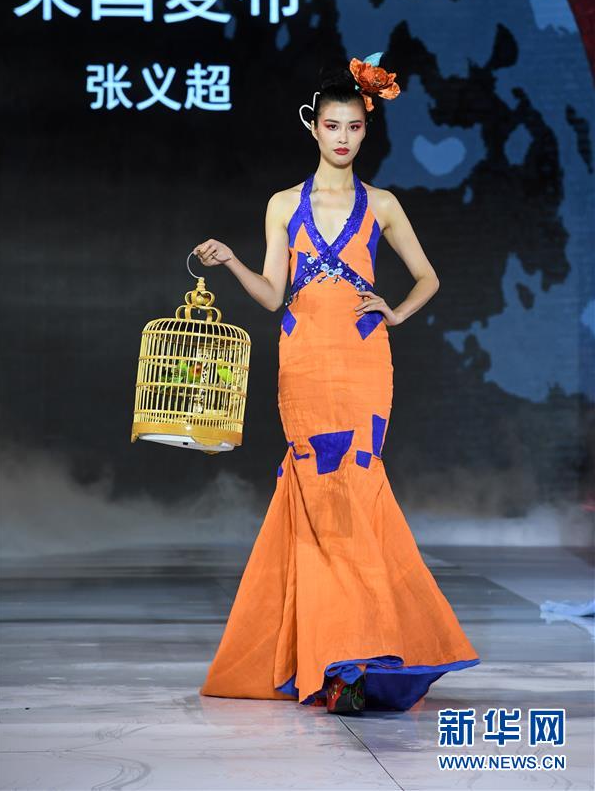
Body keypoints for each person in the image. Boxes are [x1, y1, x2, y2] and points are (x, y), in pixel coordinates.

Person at [194, 53, 480, 714]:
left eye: (353, 126)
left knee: (356, 490)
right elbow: (273, 295)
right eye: (332, 125)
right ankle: (336, 658)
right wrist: (232, 260)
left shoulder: (382, 205)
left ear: (365, 130)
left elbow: (428, 276)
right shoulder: (282, 205)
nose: (343, 137)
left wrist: (395, 311)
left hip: (362, 362)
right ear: (312, 126)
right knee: (316, 496)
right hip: (301, 361)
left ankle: (354, 659)